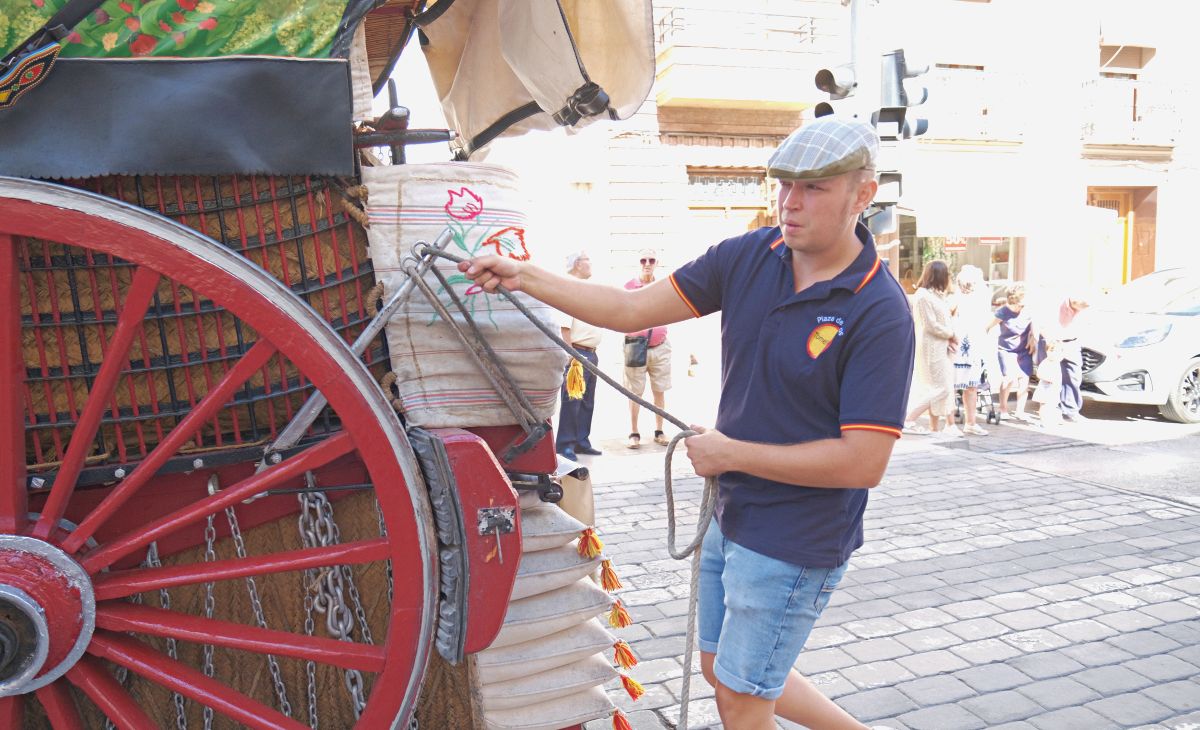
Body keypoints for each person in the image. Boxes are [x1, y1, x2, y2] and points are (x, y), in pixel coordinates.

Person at [460, 117, 915, 730]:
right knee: (720, 668)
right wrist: (527, 276)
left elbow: (864, 463)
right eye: (784, 185)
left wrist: (732, 455)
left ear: (863, 195)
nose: (790, 203)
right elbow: (628, 309)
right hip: (734, 511)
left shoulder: (879, 309)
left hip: (797, 535)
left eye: (814, 189)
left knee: (740, 696)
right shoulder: (751, 255)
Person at [554, 251, 603, 460]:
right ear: (576, 264)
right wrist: (571, 354)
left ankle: (582, 441)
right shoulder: (569, 289)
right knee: (573, 400)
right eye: (587, 259)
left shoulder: (584, 289)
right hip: (578, 352)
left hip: (591, 353)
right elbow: (564, 328)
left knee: (586, 401)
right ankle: (565, 444)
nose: (590, 263)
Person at [902, 260, 959, 437]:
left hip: (939, 346)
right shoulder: (923, 296)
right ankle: (908, 419)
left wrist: (949, 337)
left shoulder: (935, 295)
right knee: (942, 388)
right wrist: (951, 334)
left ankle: (935, 428)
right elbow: (930, 325)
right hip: (930, 348)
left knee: (935, 387)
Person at [623, 249, 672, 449]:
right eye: (643, 259)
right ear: (638, 263)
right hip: (636, 346)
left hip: (660, 346)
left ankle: (659, 431)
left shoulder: (663, 285)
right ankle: (634, 432)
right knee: (635, 392)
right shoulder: (629, 286)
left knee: (659, 390)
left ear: (657, 263)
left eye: (651, 260)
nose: (647, 263)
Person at [1032, 293, 1091, 423]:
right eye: (1080, 307)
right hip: (1052, 342)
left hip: (1072, 342)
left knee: (1073, 376)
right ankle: (1048, 411)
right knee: (1049, 378)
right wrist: (1050, 342)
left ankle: (1070, 411)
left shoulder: (1085, 307)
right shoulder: (1054, 303)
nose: (1080, 311)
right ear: (1074, 301)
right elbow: (1042, 325)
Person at [951, 265, 994, 436]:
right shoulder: (955, 299)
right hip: (960, 345)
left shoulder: (981, 299)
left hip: (973, 347)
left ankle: (970, 422)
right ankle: (952, 424)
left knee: (971, 386)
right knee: (956, 386)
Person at [989, 283, 1034, 421]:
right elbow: (987, 327)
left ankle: (1020, 411)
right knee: (1008, 379)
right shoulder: (1003, 312)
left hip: (1023, 350)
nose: (1022, 306)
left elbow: (1035, 325)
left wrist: (1033, 338)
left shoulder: (1027, 311)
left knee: (1024, 380)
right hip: (1006, 350)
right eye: (1021, 303)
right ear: (1014, 300)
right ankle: (1003, 409)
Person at [1033, 339, 1064, 427]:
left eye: (1057, 351)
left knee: (1053, 405)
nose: (1054, 353)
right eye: (1051, 350)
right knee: (1044, 405)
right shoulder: (1046, 362)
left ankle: (1055, 418)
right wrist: (1047, 378)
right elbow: (1039, 374)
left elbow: (1062, 356)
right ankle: (1044, 422)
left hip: (1054, 389)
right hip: (1045, 388)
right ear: (1047, 351)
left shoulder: (1057, 362)